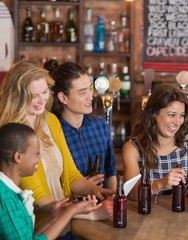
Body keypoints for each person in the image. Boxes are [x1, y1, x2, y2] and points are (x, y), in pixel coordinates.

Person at [0, 60, 114, 236]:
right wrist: (78, 211)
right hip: (39, 227)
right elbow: (38, 198)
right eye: (33, 95)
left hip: (64, 222)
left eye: (44, 92)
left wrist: (98, 192)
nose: (41, 100)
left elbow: (71, 175)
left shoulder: (51, 121)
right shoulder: (12, 134)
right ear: (18, 96)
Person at [0, 122, 102, 239]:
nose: (39, 159)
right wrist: (71, 211)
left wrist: (54, 216)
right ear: (18, 157)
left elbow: (28, 236)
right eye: (37, 154)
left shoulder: (11, 192)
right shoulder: (4, 197)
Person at [44, 59, 117, 191]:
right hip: (69, 208)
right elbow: (50, 184)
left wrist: (112, 201)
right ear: (63, 98)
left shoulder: (100, 125)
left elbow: (110, 171)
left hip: (102, 205)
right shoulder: (52, 132)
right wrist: (82, 187)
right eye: (83, 92)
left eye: (90, 89)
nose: (90, 96)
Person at [122, 84, 188, 200]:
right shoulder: (133, 148)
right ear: (154, 114)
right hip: (145, 216)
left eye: (181, 116)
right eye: (171, 115)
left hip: (182, 216)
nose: (177, 122)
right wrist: (160, 184)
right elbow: (131, 194)